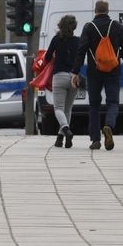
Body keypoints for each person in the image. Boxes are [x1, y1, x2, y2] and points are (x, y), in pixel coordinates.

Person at [73, 0, 123, 150]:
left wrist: (76, 71)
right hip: (113, 70)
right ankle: (109, 126)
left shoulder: (89, 27)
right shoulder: (116, 26)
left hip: (94, 71)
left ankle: (95, 140)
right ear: (108, 10)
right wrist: (117, 56)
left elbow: (81, 49)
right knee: (113, 102)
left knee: (94, 105)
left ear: (95, 10)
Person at [40, 14, 81, 149]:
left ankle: (65, 129)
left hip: (59, 76)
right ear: (74, 27)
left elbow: (46, 58)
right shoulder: (78, 41)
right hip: (74, 78)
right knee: (68, 109)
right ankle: (61, 139)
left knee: (58, 108)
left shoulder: (57, 39)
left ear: (61, 25)